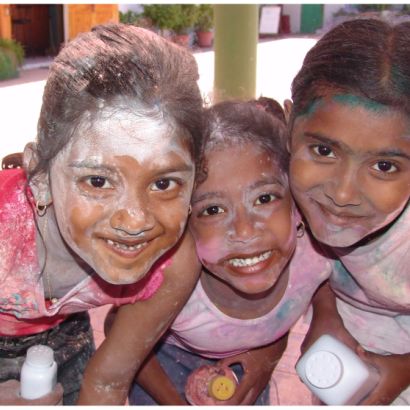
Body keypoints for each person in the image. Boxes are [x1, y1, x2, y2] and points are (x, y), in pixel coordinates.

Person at [0, 23, 202, 405]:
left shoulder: (173, 264)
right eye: (97, 181)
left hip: (63, 331)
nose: (135, 221)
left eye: (163, 184)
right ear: (40, 178)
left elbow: (108, 382)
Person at [124, 99, 331, 405]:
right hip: (163, 361)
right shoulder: (176, 286)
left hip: (247, 365)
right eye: (213, 210)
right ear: (185, 226)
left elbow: (323, 284)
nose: (244, 232)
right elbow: (120, 338)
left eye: (264, 198)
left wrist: (323, 319)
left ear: (297, 205)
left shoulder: (316, 257)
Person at [287, 18, 410, 405]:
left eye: (384, 166)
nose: (341, 194)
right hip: (347, 354)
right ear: (289, 127)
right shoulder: (269, 199)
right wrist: (325, 310)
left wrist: (403, 369)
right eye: (324, 151)